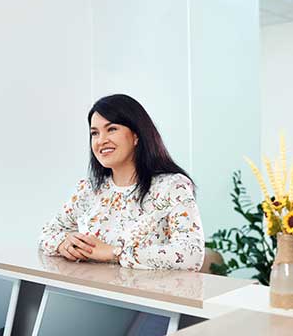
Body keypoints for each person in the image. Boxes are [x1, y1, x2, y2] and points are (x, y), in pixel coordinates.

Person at [39, 94, 204, 271]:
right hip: (90, 292)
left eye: (111, 129)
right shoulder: (88, 189)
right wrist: (64, 243)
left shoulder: (172, 186)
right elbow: (46, 234)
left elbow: (191, 255)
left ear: (136, 135)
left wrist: (115, 253)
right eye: (94, 133)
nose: (101, 140)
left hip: (145, 295)